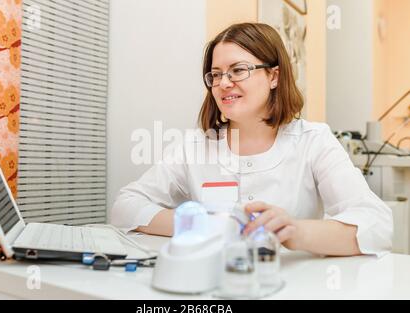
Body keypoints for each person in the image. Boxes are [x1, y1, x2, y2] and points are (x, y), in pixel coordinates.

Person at [110, 23, 392, 257]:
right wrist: (204, 224)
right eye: (216, 74)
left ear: (273, 76)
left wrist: (295, 231)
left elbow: (377, 225)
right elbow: (126, 206)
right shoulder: (195, 145)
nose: (223, 83)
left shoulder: (313, 140)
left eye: (238, 70)